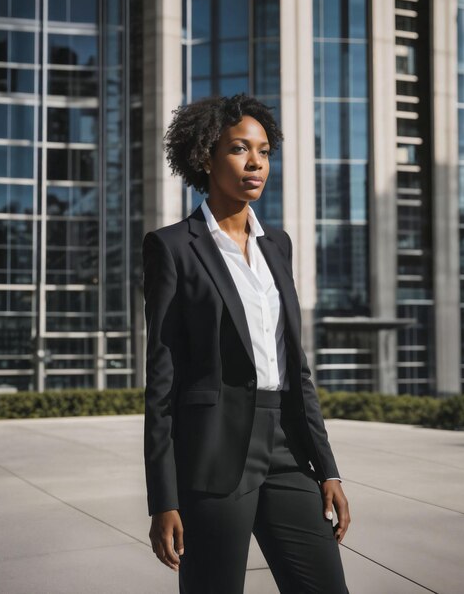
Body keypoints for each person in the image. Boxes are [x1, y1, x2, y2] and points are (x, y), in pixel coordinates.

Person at [142, 93, 350, 594]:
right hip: (213, 456)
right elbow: (162, 383)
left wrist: (328, 468)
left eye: (264, 151)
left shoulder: (277, 244)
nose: (256, 162)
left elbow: (295, 365)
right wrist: (163, 499)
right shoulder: (172, 248)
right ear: (205, 157)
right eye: (239, 149)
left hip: (285, 446)